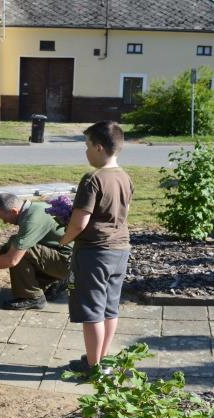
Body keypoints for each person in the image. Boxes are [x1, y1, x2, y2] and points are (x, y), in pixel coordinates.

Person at [59, 120, 133, 374]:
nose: (86, 151)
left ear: (100, 148)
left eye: (87, 145)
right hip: (120, 249)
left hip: (94, 252)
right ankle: (100, 360)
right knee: (110, 308)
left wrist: (64, 239)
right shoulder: (124, 176)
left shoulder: (93, 179)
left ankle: (92, 367)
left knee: (92, 310)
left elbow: (80, 222)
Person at [0, 193, 72, 310]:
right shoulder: (36, 207)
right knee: (12, 245)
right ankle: (53, 282)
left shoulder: (31, 221)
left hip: (69, 263)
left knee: (17, 252)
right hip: (70, 258)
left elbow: (12, 260)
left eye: (3, 218)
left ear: (13, 211)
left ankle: (32, 298)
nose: (4, 222)